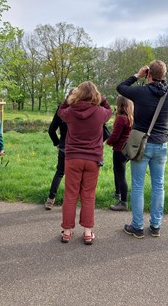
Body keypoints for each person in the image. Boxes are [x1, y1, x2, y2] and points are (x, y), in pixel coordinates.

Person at [117, 60, 168, 238]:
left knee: (137, 186)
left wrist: (137, 75)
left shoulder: (141, 92)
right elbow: (163, 85)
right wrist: (156, 76)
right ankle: (156, 226)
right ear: (164, 76)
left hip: (141, 145)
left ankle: (137, 226)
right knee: (159, 185)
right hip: (161, 144)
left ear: (148, 74)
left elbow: (121, 87)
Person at [57, 81, 112, 245]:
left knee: (70, 195)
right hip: (93, 159)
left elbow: (60, 111)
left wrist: (69, 98)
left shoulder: (70, 112)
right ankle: (88, 233)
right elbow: (110, 109)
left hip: (73, 158)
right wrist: (101, 98)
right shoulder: (100, 112)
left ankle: (67, 232)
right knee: (88, 195)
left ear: (78, 94)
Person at [106, 95, 133, 211]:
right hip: (127, 149)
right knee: (117, 171)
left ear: (120, 104)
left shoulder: (121, 118)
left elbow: (115, 136)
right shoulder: (131, 117)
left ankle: (123, 202)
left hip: (119, 149)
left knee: (121, 175)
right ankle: (117, 193)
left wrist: (108, 141)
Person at [44, 106, 68, 210]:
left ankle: (50, 199)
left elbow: (51, 130)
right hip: (78, 149)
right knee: (75, 176)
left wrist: (57, 143)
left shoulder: (61, 109)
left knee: (59, 172)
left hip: (64, 146)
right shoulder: (82, 109)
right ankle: (69, 203)